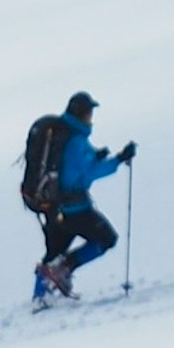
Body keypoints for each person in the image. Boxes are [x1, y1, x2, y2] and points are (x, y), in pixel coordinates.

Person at [30, 90, 135, 304]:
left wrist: (95, 156)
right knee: (106, 238)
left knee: (52, 253)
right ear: (80, 114)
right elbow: (88, 173)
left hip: (53, 208)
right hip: (75, 209)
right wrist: (118, 160)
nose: (91, 118)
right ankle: (63, 270)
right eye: (89, 113)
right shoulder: (76, 140)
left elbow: (74, 166)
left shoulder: (65, 135)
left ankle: (39, 297)